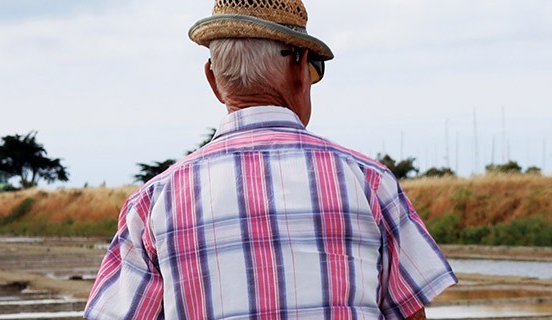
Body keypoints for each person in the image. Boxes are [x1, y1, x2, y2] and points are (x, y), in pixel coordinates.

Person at [84, 1, 455, 319]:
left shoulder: (152, 204)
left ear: (213, 80)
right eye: (313, 70)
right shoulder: (369, 182)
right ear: (299, 68)